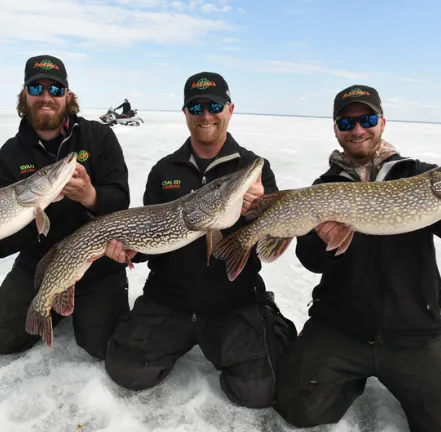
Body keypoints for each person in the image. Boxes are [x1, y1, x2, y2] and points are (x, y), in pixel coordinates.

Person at [272, 84, 441, 431]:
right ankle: (349, 374)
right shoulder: (324, 186)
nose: (358, 129)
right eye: (347, 123)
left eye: (367, 119)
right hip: (340, 327)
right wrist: (324, 243)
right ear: (336, 130)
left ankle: (439, 373)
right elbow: (311, 260)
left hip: (415, 332)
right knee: (297, 409)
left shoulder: (420, 177)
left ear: (382, 122)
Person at [101, 72, 298, 408]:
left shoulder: (252, 169)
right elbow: (150, 243)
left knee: (260, 391)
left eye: (214, 105)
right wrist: (129, 249)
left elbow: (273, 240)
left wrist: (260, 209)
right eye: (196, 107)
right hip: (169, 300)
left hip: (232, 301)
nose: (206, 115)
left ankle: (268, 326)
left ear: (230, 109)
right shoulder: (164, 170)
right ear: (185, 113)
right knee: (127, 371)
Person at [0, 54, 132, 360]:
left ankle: (77, 305)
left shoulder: (98, 137)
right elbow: (16, 226)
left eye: (55, 89)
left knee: (102, 345)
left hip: (97, 260)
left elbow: (120, 199)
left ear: (68, 96)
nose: (46, 97)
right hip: (40, 261)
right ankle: (56, 302)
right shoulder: (10, 154)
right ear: (25, 95)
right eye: (37, 89)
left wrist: (89, 195)